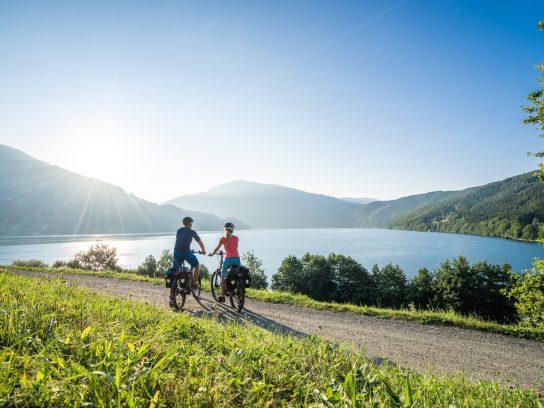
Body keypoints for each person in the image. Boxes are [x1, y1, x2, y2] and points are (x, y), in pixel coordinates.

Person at [173, 216, 206, 291]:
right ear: (190, 223)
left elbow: (181, 242)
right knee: (197, 266)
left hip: (176, 253)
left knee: (175, 273)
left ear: (183, 223)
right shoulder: (192, 232)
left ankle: (172, 296)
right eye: (191, 223)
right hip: (186, 253)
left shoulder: (179, 231)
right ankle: (194, 285)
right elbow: (200, 242)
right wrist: (203, 251)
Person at [209, 222, 240, 302]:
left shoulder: (223, 239)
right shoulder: (236, 238)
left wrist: (212, 254)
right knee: (237, 275)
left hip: (228, 260)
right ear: (232, 229)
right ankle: (238, 290)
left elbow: (217, 248)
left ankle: (222, 297)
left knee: (223, 278)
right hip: (237, 259)